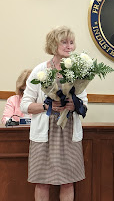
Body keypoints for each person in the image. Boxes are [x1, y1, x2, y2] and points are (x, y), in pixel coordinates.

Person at [20, 26, 88, 201]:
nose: (69, 46)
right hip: (45, 132)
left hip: (68, 131)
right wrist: (47, 106)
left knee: (68, 182)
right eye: (64, 42)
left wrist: (75, 105)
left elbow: (84, 105)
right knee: (42, 181)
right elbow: (25, 105)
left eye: (71, 42)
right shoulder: (39, 70)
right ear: (53, 44)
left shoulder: (78, 70)